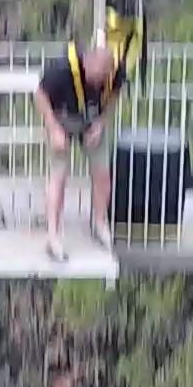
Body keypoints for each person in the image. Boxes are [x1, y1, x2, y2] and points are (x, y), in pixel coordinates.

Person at [36, 37, 122, 263]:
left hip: (92, 122)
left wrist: (101, 124)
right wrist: (54, 128)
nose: (100, 82)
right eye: (98, 76)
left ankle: (100, 223)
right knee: (59, 176)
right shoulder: (62, 69)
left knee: (102, 173)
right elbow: (40, 96)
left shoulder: (114, 73)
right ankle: (53, 235)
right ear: (88, 63)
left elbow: (114, 97)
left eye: (106, 76)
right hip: (62, 119)